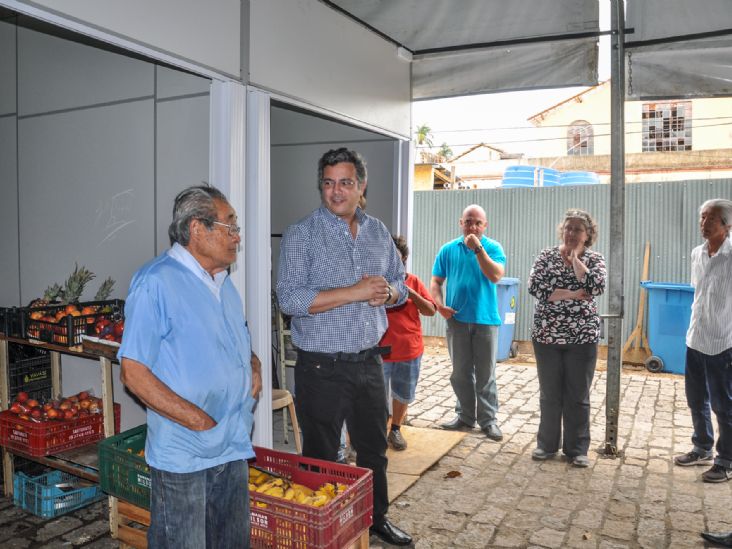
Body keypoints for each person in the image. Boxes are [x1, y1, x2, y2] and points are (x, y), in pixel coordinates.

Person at [276, 148, 412, 546]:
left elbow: (400, 283)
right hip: (321, 366)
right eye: (329, 183)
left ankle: (375, 520)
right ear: (321, 185)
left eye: (346, 183)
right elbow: (289, 299)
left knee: (373, 450)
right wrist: (353, 292)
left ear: (361, 186)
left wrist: (388, 294)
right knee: (321, 457)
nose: (337, 192)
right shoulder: (302, 233)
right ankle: (322, 529)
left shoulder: (377, 231)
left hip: (369, 362)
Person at [118, 185, 262, 549]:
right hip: (185, 450)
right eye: (229, 226)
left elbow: (239, 340)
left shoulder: (223, 284)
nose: (237, 236)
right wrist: (197, 419)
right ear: (197, 229)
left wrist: (254, 366)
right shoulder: (155, 282)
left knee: (231, 542)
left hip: (232, 442)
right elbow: (133, 372)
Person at [527, 209, 606, 468]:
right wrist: (574, 294)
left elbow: (596, 287)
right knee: (550, 393)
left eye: (577, 230)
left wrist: (575, 262)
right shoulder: (546, 256)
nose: (571, 233)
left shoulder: (595, 259)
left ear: (588, 235)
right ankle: (546, 445)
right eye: (568, 228)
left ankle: (576, 449)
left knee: (578, 395)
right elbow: (536, 288)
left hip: (582, 338)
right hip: (547, 335)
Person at [430, 204, 506, 441]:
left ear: (485, 226)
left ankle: (488, 420)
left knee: (486, 373)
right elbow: (436, 281)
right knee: (460, 373)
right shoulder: (448, 249)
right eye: (468, 221)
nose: (472, 226)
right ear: (460, 223)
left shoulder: (492, 248)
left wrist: (478, 250)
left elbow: (495, 275)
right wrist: (439, 304)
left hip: (485, 320)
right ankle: (464, 416)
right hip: (457, 320)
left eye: (478, 223)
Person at [674, 199, 732, 486]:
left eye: (710, 218)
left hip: (723, 341)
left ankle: (726, 460)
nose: (703, 223)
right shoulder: (698, 253)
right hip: (695, 338)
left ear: (727, 225)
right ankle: (702, 447)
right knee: (696, 399)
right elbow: (699, 293)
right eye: (702, 217)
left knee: (724, 405)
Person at [379, 235, 436, 451]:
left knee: (403, 393)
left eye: (397, 257)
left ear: (403, 259)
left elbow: (430, 311)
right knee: (375, 397)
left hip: (409, 349)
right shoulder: (374, 285)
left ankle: (395, 429)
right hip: (380, 351)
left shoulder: (413, 281)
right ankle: (376, 432)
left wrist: (410, 293)